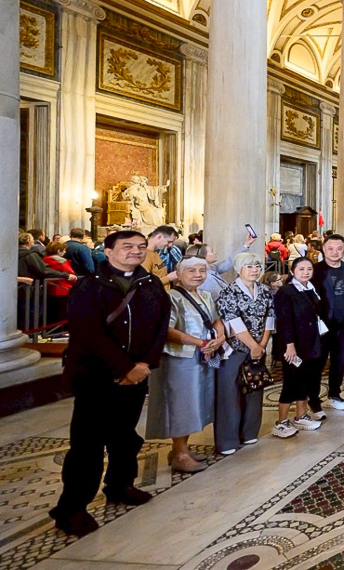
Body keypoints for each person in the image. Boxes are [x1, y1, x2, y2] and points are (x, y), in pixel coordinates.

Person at [50, 230, 170, 536]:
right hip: (94, 376)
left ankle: (120, 485)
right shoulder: (89, 286)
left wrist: (145, 365)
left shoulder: (151, 284)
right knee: (87, 445)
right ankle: (72, 508)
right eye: (127, 247)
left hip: (136, 375)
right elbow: (88, 333)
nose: (135, 251)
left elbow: (160, 327)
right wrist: (125, 367)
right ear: (108, 250)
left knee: (125, 436)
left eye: (141, 247)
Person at [145, 257, 223, 474]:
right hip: (179, 358)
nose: (198, 274)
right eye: (191, 270)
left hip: (202, 356)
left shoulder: (205, 294)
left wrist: (220, 337)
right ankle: (179, 452)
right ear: (178, 274)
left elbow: (216, 318)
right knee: (180, 404)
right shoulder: (170, 297)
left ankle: (183, 448)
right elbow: (167, 330)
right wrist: (199, 342)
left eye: (202, 270)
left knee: (195, 403)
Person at [213, 252, 274, 455]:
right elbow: (233, 321)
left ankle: (249, 433)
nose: (254, 269)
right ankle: (228, 440)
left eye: (257, 266)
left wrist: (262, 344)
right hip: (235, 349)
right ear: (239, 269)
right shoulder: (229, 292)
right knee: (230, 394)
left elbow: (270, 318)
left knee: (255, 388)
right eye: (249, 266)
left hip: (259, 348)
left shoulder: (265, 290)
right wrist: (252, 346)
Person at [273, 257, 326, 438]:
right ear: (292, 271)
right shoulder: (286, 292)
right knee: (291, 382)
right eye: (301, 269)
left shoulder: (310, 289)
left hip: (310, 343)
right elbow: (284, 321)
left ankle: (300, 415)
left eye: (309, 269)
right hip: (293, 345)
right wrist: (289, 346)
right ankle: (281, 421)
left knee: (305, 379)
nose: (305, 272)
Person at [313, 234, 344, 413]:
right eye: (330, 248)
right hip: (320, 325)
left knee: (339, 362)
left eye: (339, 248)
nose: (335, 252)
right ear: (323, 249)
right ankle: (314, 400)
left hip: (342, 323)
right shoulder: (314, 270)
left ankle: (334, 394)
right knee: (317, 363)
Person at [43, 242, 78, 324]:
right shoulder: (61, 261)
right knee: (62, 311)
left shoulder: (44, 260)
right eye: (64, 250)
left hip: (48, 287)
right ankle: (59, 329)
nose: (65, 252)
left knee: (51, 311)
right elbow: (70, 273)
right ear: (59, 251)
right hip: (63, 288)